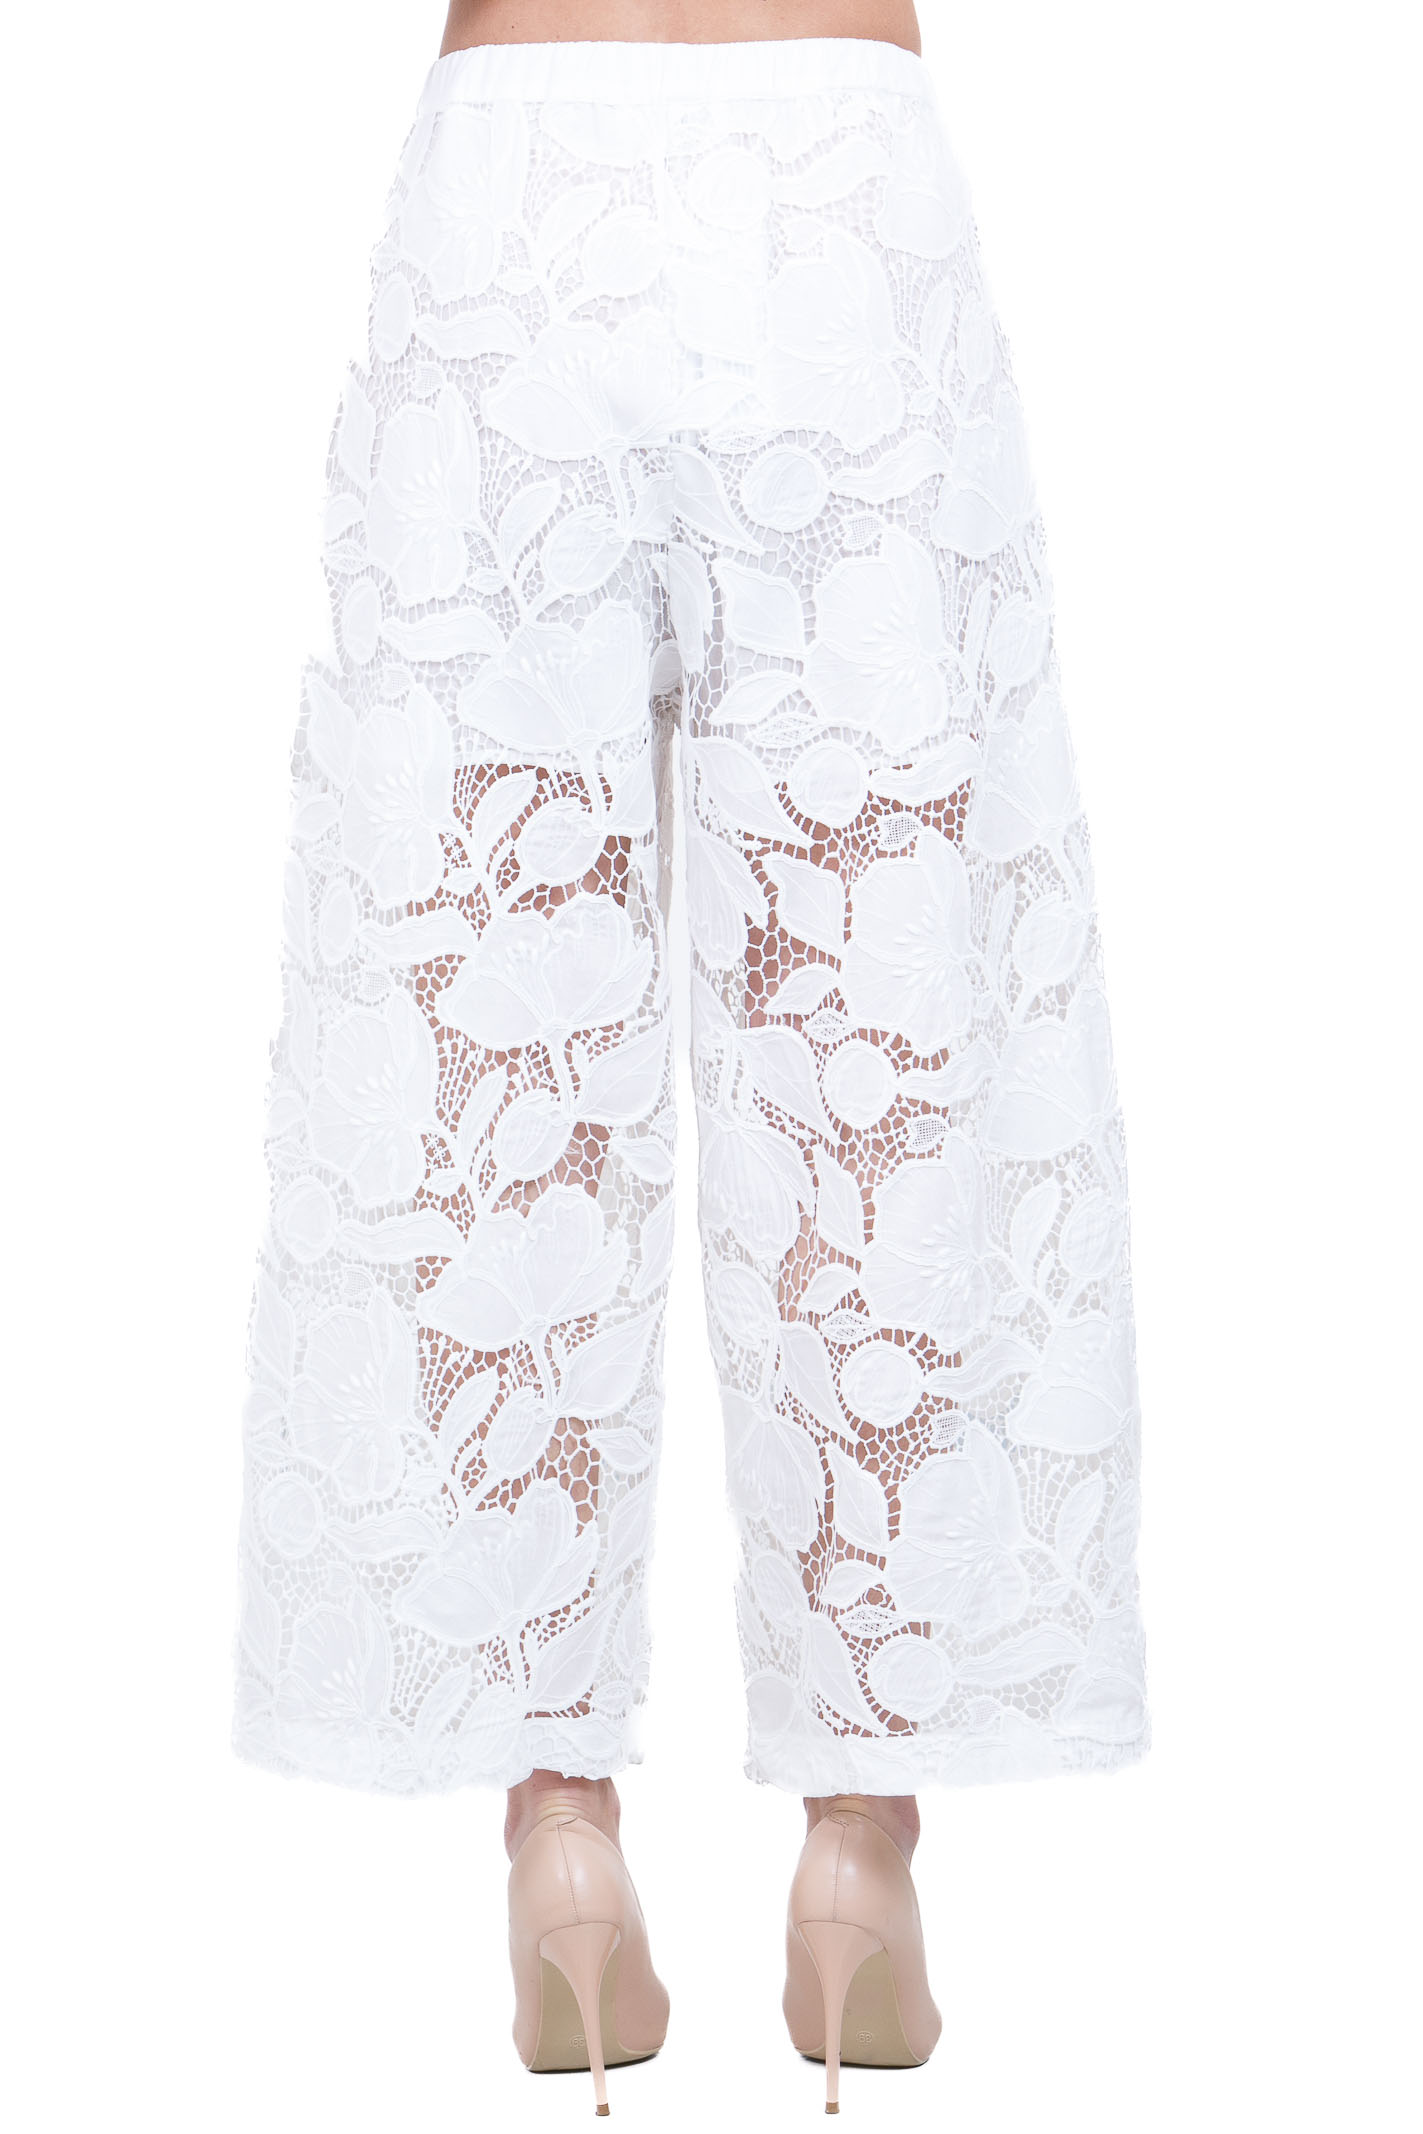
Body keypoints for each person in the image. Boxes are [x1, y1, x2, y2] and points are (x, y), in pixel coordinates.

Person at [232, 0, 1151, 2110]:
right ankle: (857, 1854)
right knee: (880, 1025)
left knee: (490, 1032)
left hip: (507, 197)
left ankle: (558, 1837)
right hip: (837, 183)